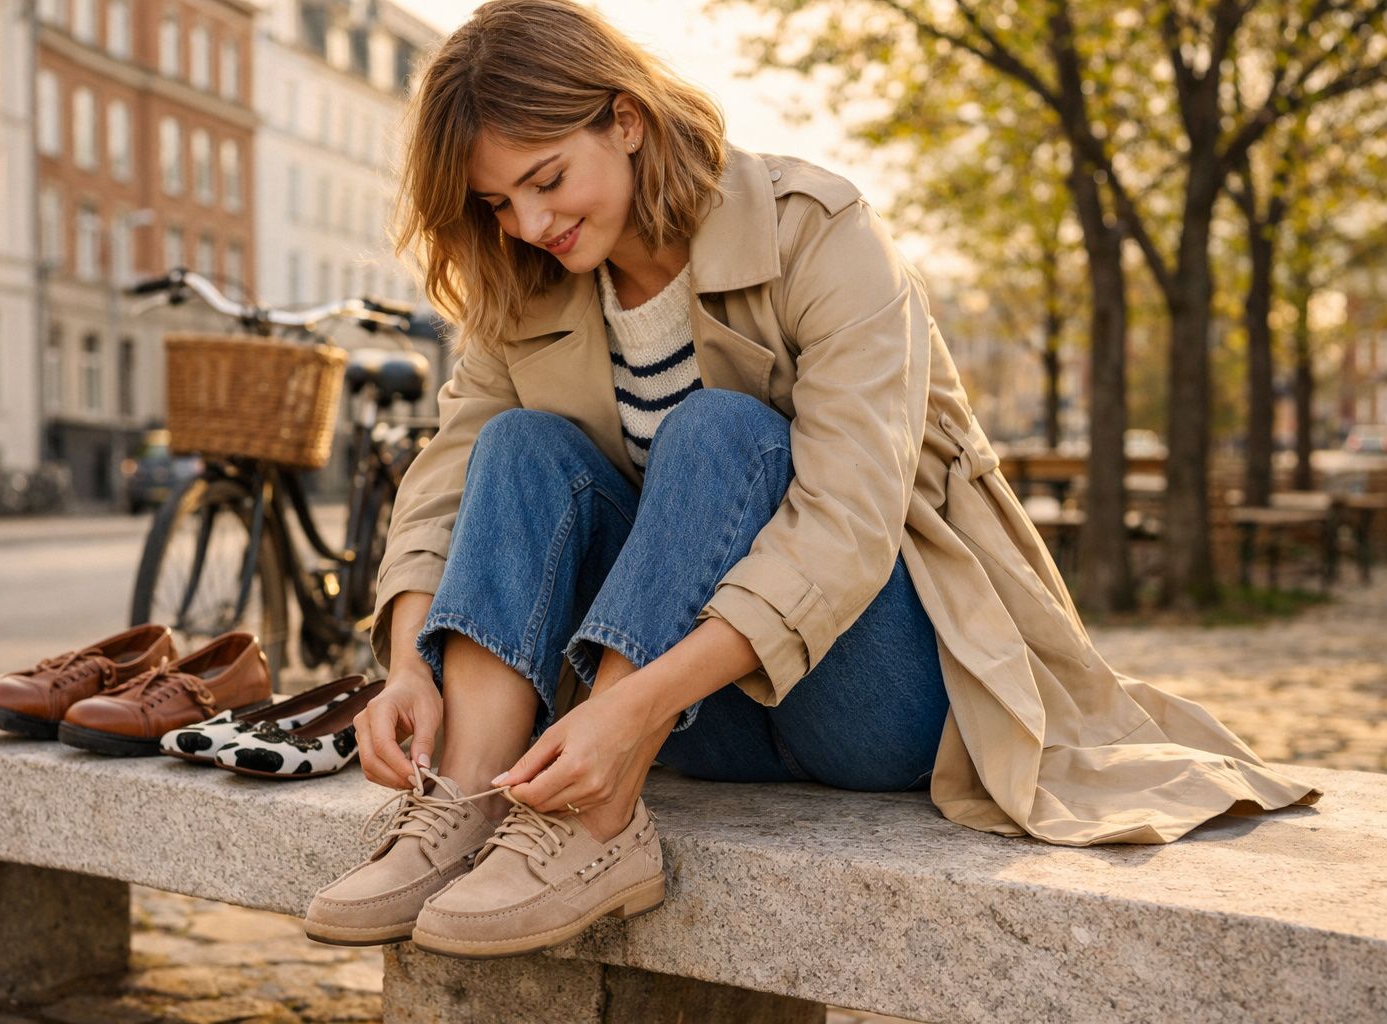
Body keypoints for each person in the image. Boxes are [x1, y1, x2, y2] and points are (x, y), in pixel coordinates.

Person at [302, 0, 1319, 959]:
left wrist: (625, 713)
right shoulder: (519, 284)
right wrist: (404, 661)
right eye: (497, 203)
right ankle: (468, 795)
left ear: (626, 120)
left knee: (721, 432)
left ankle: (594, 820)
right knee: (516, 444)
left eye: (547, 179)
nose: (527, 224)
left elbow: (848, 525)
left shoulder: (816, 230)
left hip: (871, 699)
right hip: (693, 721)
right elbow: (445, 480)